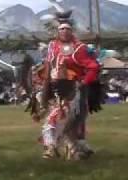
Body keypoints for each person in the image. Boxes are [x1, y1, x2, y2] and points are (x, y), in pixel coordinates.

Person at [31, 10, 100, 160]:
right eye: (61, 29)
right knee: (55, 116)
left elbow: (93, 66)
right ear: (57, 30)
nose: (64, 31)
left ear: (72, 30)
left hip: (75, 88)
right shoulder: (52, 46)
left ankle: (76, 145)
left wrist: (83, 82)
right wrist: (45, 86)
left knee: (76, 117)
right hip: (55, 86)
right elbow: (49, 64)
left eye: (67, 29)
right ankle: (52, 146)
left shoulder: (80, 48)